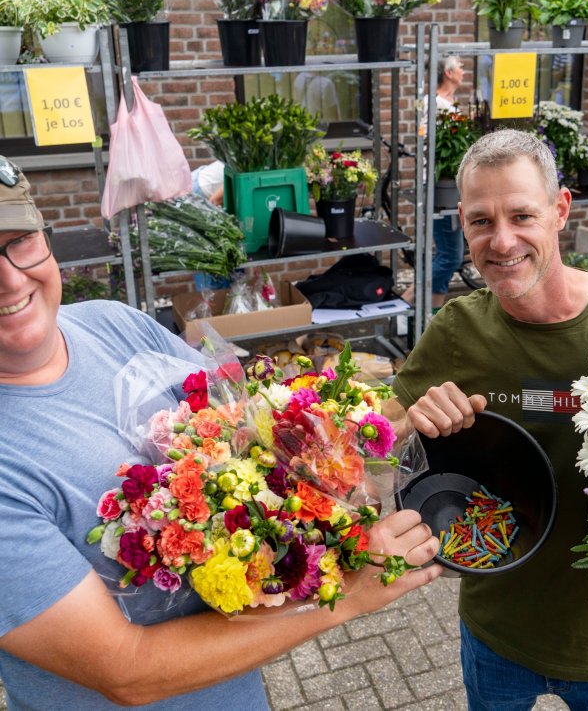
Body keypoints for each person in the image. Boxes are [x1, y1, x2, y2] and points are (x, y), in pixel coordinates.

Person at [0, 159, 442, 710]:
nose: (10, 279)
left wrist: (363, 445)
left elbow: (254, 422)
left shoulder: (112, 322)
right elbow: (125, 669)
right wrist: (347, 596)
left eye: (18, 242)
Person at [391, 131, 588, 711]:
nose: (502, 241)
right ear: (462, 224)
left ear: (560, 210)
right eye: (481, 221)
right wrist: (410, 421)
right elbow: (373, 430)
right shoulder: (459, 329)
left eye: (522, 214)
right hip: (498, 631)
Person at [403, 55, 466, 309]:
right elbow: (433, 146)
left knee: (447, 253)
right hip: (439, 188)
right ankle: (408, 298)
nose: (464, 70)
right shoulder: (434, 104)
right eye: (460, 66)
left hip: (451, 185)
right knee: (451, 256)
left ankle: (434, 311)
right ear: (449, 73)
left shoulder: (445, 104)